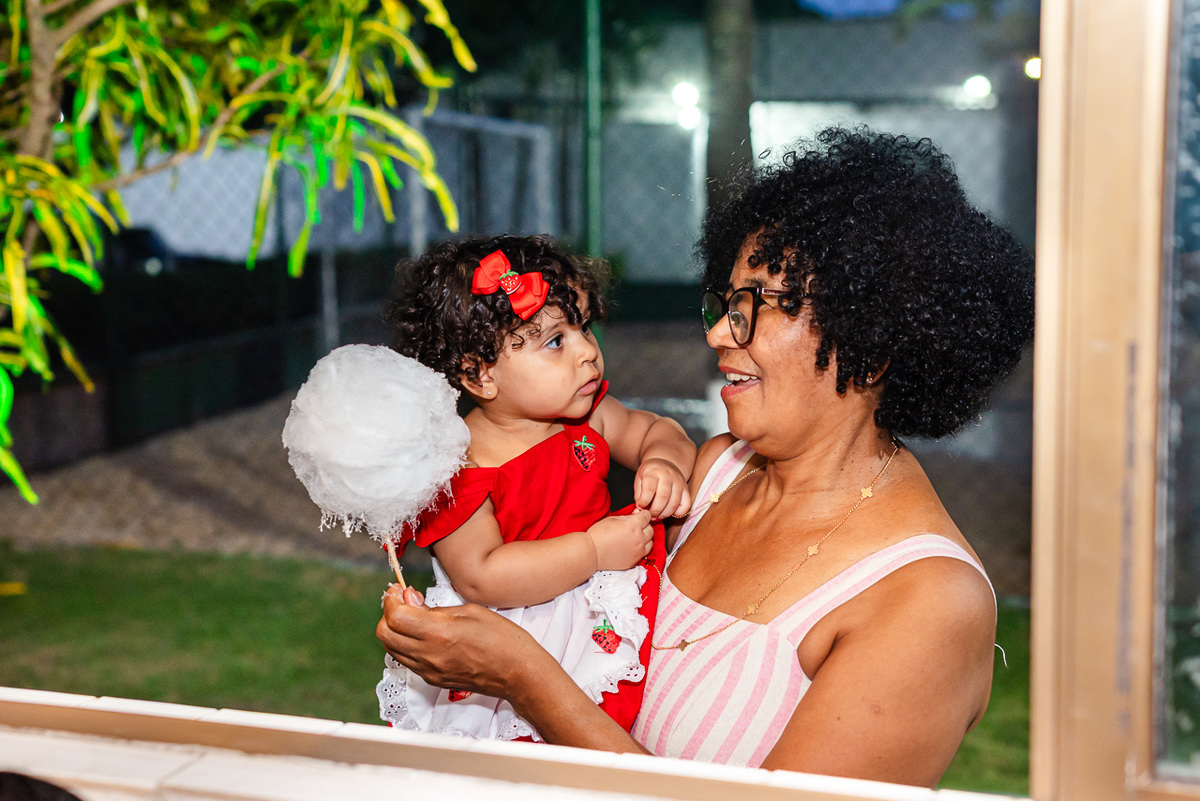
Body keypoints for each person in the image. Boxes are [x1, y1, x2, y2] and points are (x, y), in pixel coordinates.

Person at [376, 126, 1035, 786]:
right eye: (725, 302)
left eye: (759, 305)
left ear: (872, 335)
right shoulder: (716, 469)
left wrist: (525, 678)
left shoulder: (928, 602)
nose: (719, 331)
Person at [375, 234, 698, 741]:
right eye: (555, 342)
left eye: (585, 328)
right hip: (508, 644)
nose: (588, 353)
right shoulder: (459, 466)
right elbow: (482, 576)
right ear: (479, 375)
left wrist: (664, 464)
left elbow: (658, 430)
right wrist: (592, 550)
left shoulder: (585, 417)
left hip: (597, 617)